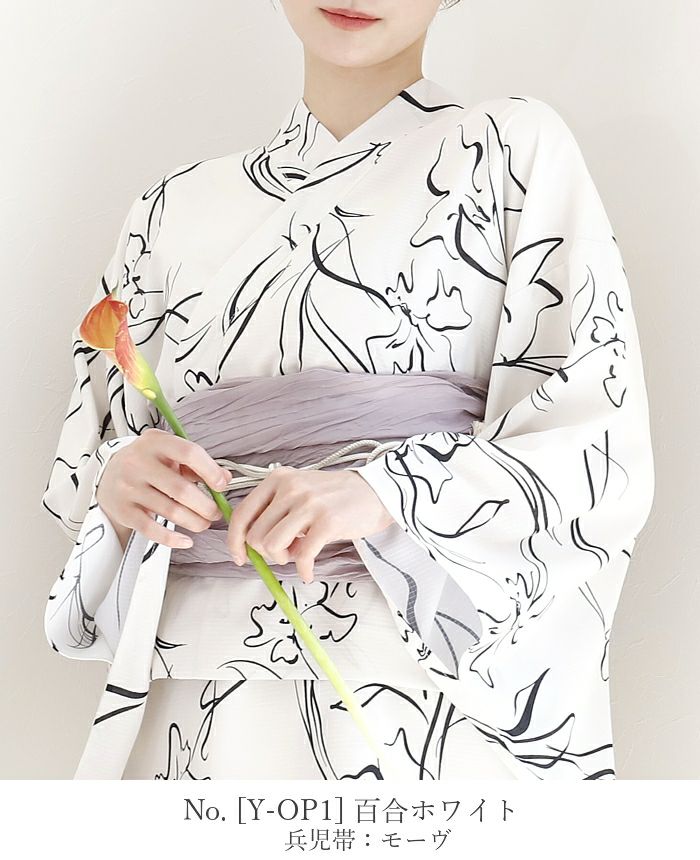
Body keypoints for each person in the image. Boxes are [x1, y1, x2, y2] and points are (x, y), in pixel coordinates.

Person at [41, 0, 655, 781]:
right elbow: (92, 452)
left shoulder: (512, 146)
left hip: (409, 684)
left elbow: (595, 445)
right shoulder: (170, 208)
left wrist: (385, 492)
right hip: (195, 679)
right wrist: (120, 478)